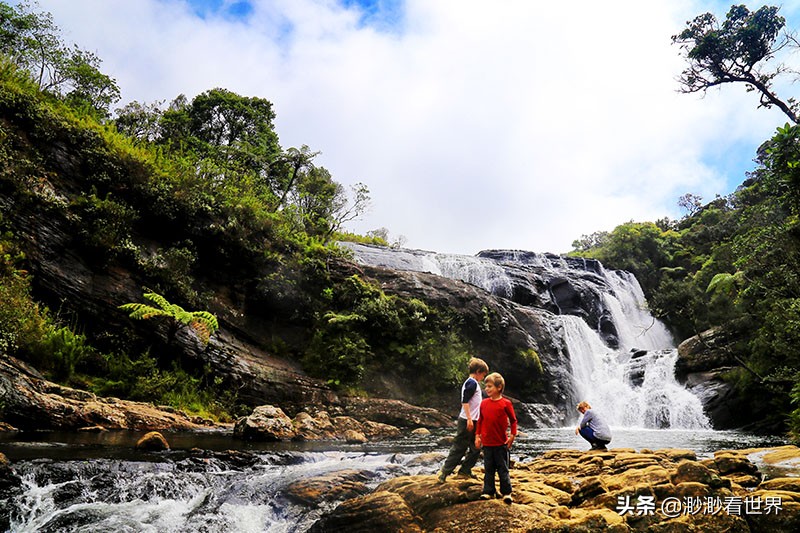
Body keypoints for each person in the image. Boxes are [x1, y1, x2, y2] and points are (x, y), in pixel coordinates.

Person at [437, 357, 489, 483]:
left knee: (476, 447)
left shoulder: (473, 383)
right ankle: (444, 472)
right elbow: (464, 401)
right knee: (460, 447)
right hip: (468, 420)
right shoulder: (471, 383)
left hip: (474, 420)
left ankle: (465, 470)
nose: (483, 377)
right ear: (478, 371)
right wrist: (470, 419)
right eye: (483, 374)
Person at [475, 372, 517, 504]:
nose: (486, 389)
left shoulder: (506, 403)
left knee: (503, 468)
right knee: (488, 469)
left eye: (489, 386)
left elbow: (513, 420)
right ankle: (488, 491)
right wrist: (477, 436)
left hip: (501, 443)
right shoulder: (484, 403)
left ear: (499, 388)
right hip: (487, 442)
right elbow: (480, 420)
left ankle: (506, 492)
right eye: (486, 386)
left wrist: (512, 435)